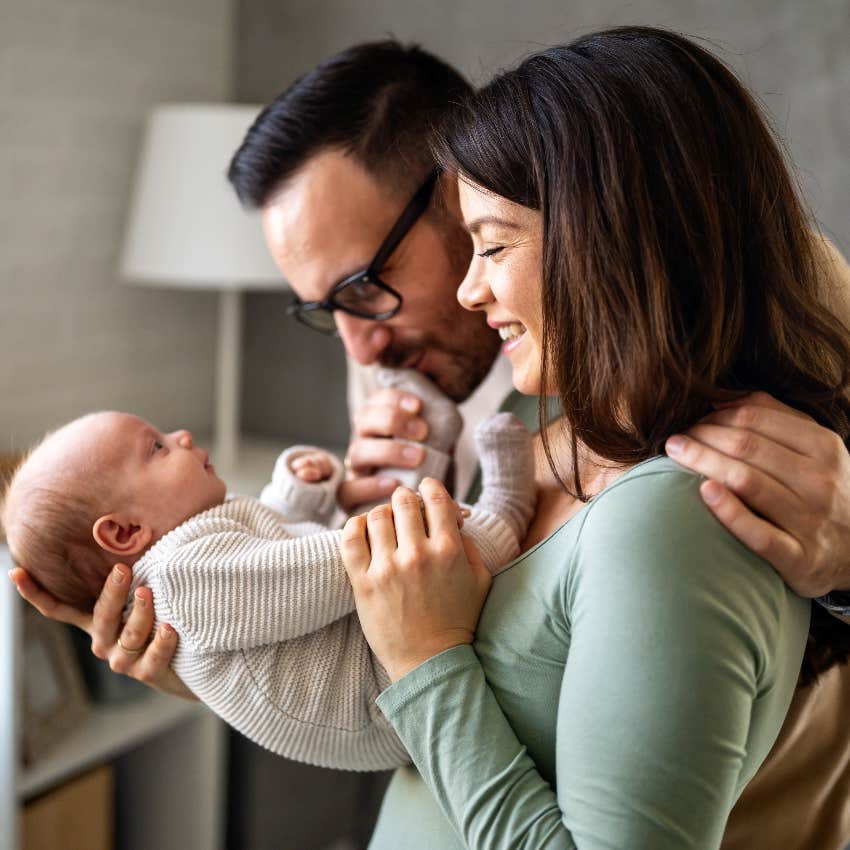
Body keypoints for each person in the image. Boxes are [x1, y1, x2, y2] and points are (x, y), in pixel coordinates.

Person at [9, 36, 850, 848]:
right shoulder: (389, 351)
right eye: (321, 310)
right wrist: (208, 655)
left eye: (364, 287)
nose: (359, 347)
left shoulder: (769, 287)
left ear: (459, 190)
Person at [341, 26, 850, 848]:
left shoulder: (680, 511)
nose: (470, 288)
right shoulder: (559, 435)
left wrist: (423, 660)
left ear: (611, 235)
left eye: (494, 244)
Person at [2, 406, 533, 769]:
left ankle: (435, 448)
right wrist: (391, 532)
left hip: (377, 668)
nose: (183, 437)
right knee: (425, 553)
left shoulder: (198, 557)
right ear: (125, 532)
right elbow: (298, 577)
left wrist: (297, 491)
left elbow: (270, 542)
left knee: (395, 542)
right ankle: (505, 515)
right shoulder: (183, 584)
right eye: (157, 449)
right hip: (381, 699)